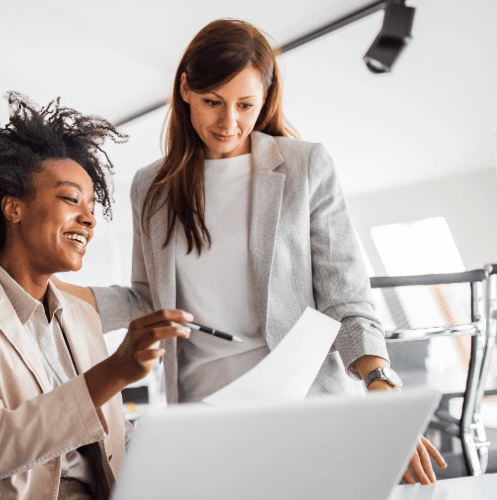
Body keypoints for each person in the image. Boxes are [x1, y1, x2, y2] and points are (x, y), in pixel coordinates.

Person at [53, 20, 445, 485]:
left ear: (266, 97)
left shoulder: (305, 166)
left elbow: (346, 300)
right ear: (185, 90)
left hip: (304, 409)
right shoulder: (151, 187)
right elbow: (146, 299)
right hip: (205, 416)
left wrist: (381, 386)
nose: (228, 122)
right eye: (212, 102)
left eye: (245, 105)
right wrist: (47, 292)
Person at [0, 92, 192, 500]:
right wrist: (114, 372)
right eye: (71, 198)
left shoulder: (80, 316)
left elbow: (114, 439)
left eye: (92, 206)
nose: (88, 218)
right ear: (14, 209)